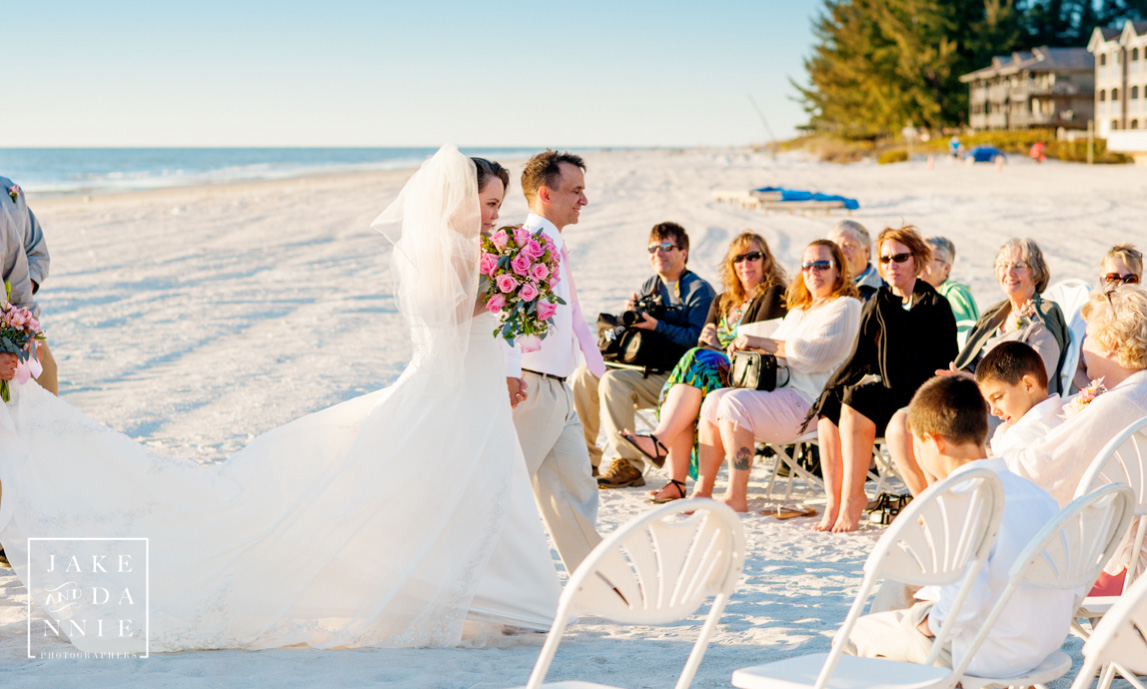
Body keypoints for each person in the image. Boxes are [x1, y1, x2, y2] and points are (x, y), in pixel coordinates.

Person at [0, 146, 562, 652]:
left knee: (479, 483)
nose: (494, 214)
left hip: (471, 387)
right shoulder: (443, 250)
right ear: (460, 200)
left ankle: (506, 597)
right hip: (449, 385)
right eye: (488, 203)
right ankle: (498, 598)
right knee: (436, 484)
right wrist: (512, 287)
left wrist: (512, 285)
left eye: (498, 205)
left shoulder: (479, 249)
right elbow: (443, 315)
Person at [844, 376, 1076, 678]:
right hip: (1043, 646)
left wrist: (926, 625)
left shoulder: (959, 500)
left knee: (853, 638)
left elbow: (963, 606)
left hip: (985, 654)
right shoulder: (1038, 496)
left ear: (934, 441)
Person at [689, 240, 862, 512]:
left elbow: (816, 356)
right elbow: (777, 352)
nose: (813, 271)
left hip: (815, 402)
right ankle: (703, 490)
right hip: (782, 392)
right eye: (807, 265)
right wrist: (747, 345)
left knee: (734, 405)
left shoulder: (846, 306)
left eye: (822, 265)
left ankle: (736, 495)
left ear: (838, 270)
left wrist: (763, 342)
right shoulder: (799, 310)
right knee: (713, 400)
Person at [887, 238, 1068, 495]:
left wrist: (975, 383)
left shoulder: (1044, 315)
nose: (1009, 272)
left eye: (1018, 265)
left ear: (1036, 272)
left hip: (1007, 408)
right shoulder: (996, 313)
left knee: (925, 426)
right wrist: (960, 376)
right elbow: (971, 359)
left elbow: (1036, 377)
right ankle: (930, 498)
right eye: (1004, 265)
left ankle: (947, 498)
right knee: (902, 422)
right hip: (976, 397)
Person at [618, 232, 788, 503]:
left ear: (766, 260)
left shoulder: (775, 295)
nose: (746, 263)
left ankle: (661, 444)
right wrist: (708, 344)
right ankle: (676, 482)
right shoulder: (722, 300)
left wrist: (714, 347)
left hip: (751, 378)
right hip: (715, 377)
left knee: (695, 364)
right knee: (687, 390)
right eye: (739, 258)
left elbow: (757, 344)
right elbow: (703, 342)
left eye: (753, 256)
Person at [809, 225, 957, 532]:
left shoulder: (936, 306)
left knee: (856, 401)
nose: (892, 265)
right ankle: (841, 500)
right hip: (891, 390)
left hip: (921, 394)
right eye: (886, 259)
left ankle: (857, 500)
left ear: (917, 261)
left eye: (900, 258)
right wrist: (831, 389)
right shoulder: (878, 302)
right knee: (836, 405)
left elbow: (947, 363)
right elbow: (859, 357)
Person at [503, 149, 603, 572]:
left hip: (560, 387)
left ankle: (598, 586)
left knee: (575, 492)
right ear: (546, 193)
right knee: (505, 496)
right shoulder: (524, 245)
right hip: (531, 386)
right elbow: (505, 314)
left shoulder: (555, 245)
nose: (584, 200)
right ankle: (495, 594)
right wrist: (510, 374)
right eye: (576, 191)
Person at [572, 221, 716, 489]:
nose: (657, 253)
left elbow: (699, 342)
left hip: (679, 381)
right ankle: (586, 458)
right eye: (652, 248)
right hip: (646, 368)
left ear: (683, 252)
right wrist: (632, 318)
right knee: (584, 375)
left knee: (614, 382)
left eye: (665, 247)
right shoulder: (651, 285)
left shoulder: (699, 291)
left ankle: (628, 464)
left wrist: (657, 325)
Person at [0, 175, 55, 395]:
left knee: (46, 378)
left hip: (15, 326)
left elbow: (30, 258)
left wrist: (25, 324)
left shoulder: (10, 194)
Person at [975, 341, 1063, 458]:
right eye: (988, 403)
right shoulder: (1065, 409)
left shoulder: (1022, 438)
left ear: (1028, 385)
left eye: (998, 397)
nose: (993, 411)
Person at [920, 236, 978, 344]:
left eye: (927, 258)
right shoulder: (921, 294)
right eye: (920, 257)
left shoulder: (953, 294)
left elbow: (963, 339)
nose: (921, 263)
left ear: (946, 268)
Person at [828, 220, 883, 301]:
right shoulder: (822, 287)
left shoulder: (884, 289)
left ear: (866, 251)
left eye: (848, 245)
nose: (840, 251)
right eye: (835, 247)